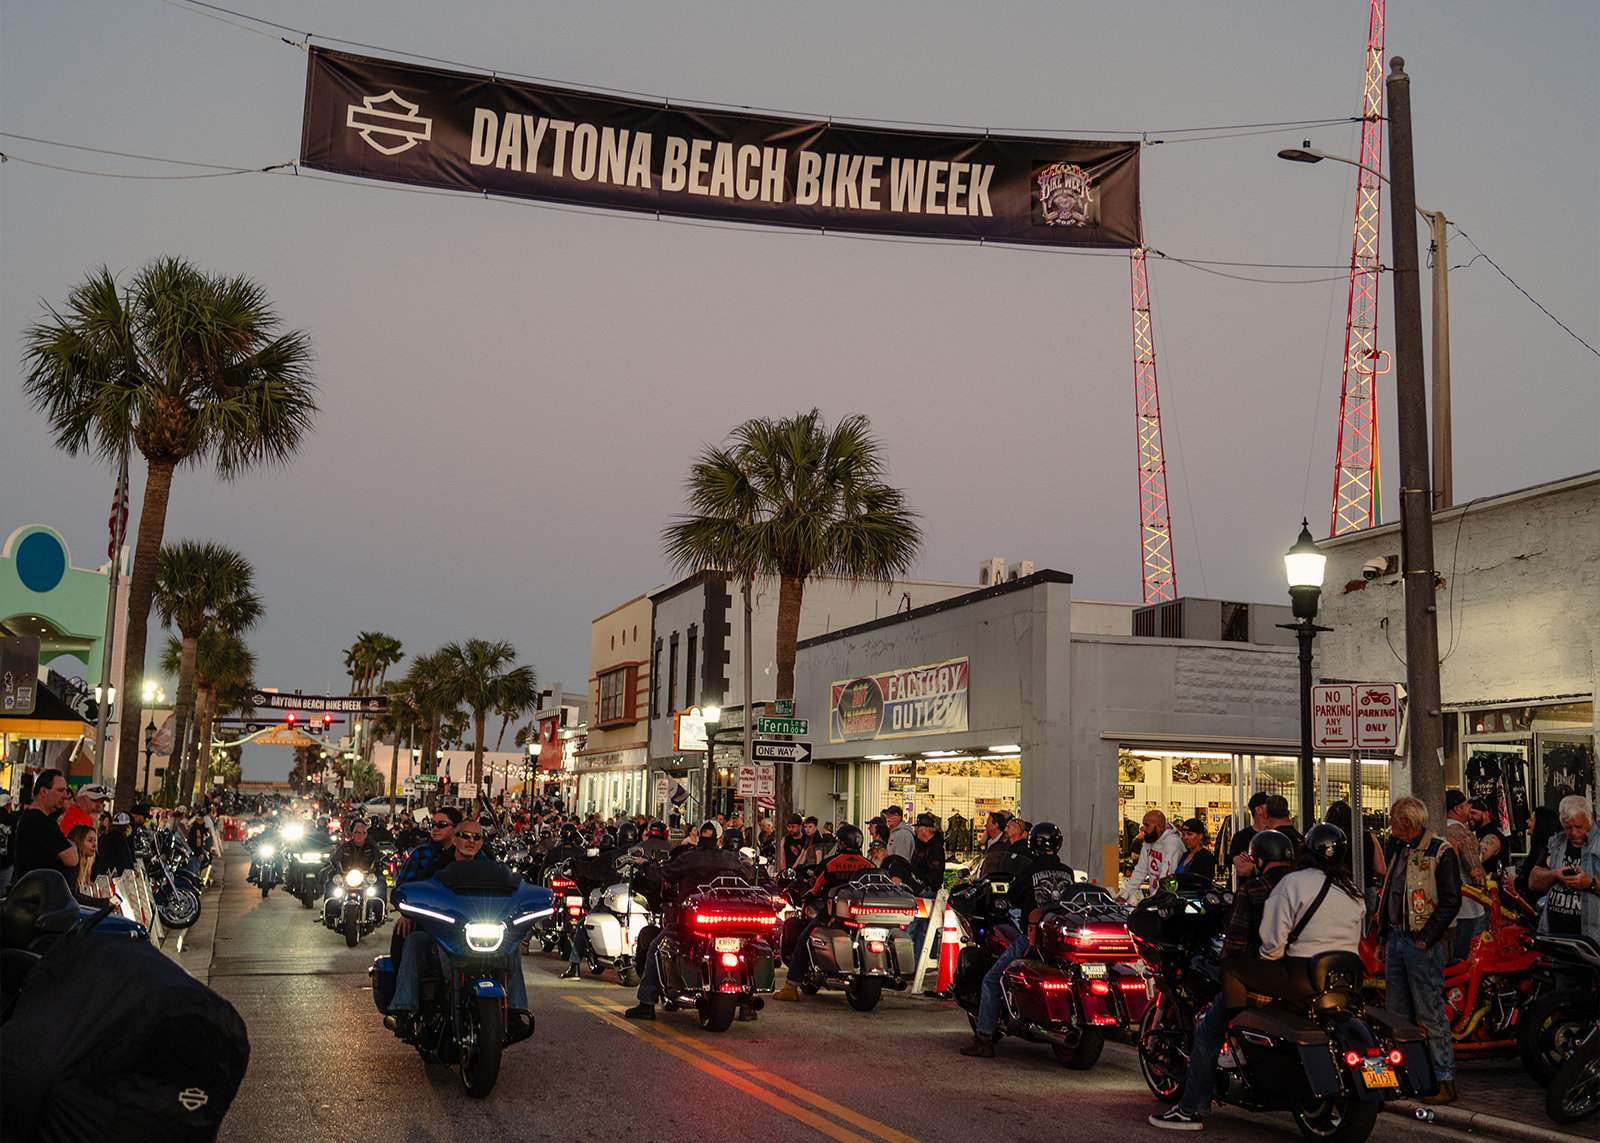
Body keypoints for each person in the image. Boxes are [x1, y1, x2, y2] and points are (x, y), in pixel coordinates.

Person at [1150, 828, 1295, 1129]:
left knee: (1206, 1033)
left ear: (1257, 858)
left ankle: (1189, 1108)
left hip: (1260, 978)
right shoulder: (1301, 887)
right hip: (1300, 978)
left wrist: (1226, 963)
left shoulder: (1254, 889)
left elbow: (1237, 943)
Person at [387, 817, 531, 1038]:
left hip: (482, 932)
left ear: (482, 842)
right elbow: (417, 892)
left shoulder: (492, 868)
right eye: (465, 836)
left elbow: (510, 889)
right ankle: (404, 1010)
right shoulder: (435, 868)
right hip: (443, 935)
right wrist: (409, 911)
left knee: (512, 946)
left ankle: (515, 1011)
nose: (470, 841)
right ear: (455, 839)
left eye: (476, 837)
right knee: (414, 940)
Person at [1219, 824, 1365, 1015]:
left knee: (1230, 969)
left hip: (1305, 977)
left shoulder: (1293, 883)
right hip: (1349, 976)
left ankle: (1237, 1031)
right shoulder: (1352, 890)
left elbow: (1273, 947)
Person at [961, 822, 1077, 1057]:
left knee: (992, 980)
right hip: (1059, 940)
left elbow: (1012, 899)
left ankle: (983, 1038)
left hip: (1033, 939)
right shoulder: (1067, 872)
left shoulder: (1028, 872)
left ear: (1032, 844)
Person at [1376, 796, 1462, 1105]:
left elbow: (1452, 900)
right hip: (1400, 939)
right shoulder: (1399, 848)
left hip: (1419, 943)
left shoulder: (1440, 851)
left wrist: (1425, 938)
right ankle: (1411, 1075)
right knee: (1398, 1015)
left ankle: (1443, 1079)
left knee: (1430, 1014)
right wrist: (1384, 938)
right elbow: (1389, 898)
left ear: (1407, 823)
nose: (1389, 824)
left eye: (1393, 819)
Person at [624, 820, 750, 1020]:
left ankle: (647, 1004)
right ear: (719, 839)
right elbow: (749, 880)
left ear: (700, 836)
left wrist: (645, 865)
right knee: (748, 948)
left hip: (690, 921)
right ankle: (747, 1006)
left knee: (656, 950)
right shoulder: (732, 860)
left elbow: (664, 874)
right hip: (728, 923)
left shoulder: (689, 858)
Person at [773, 823, 876, 1002]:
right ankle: (876, 987)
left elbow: (812, 890)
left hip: (832, 917)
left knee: (803, 940)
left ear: (842, 842)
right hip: (864, 917)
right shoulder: (869, 865)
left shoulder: (830, 864)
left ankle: (791, 986)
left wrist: (798, 887)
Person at [1527, 794, 1600, 941]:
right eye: (1568, 827)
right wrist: (1554, 875)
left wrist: (1590, 883)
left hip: (1592, 942)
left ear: (1591, 818)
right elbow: (1533, 882)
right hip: (1556, 939)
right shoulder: (1557, 842)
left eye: (1579, 827)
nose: (1573, 833)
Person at [1445, 789, 1489, 961]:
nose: (1469, 809)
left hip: (1447, 911)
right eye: (1466, 806)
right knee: (1467, 964)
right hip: (1468, 912)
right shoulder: (1462, 834)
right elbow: (1476, 875)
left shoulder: (1437, 830)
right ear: (1457, 809)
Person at [13, 769, 79, 882]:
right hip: (41, 894)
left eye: (66, 790)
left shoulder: (37, 818)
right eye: (60, 790)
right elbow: (71, 859)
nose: (65, 795)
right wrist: (73, 846)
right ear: (43, 792)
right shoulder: (40, 821)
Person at [1323, 800, 1385, 916]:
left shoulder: (1330, 840)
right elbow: (1381, 869)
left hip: (1337, 890)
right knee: (1363, 932)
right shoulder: (1368, 837)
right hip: (1366, 892)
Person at [1118, 811, 1184, 902]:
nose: (1143, 828)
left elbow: (1168, 875)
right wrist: (1125, 896)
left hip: (1170, 899)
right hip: (1156, 897)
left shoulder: (1173, 844)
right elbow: (1140, 870)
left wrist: (1155, 899)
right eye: (1143, 825)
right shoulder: (1148, 841)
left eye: (1147, 825)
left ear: (1159, 827)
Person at [1226, 792, 1272, 871]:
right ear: (1258, 809)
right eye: (1269, 805)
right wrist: (1270, 866)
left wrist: (1252, 865)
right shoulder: (1241, 838)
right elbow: (1242, 869)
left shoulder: (1277, 835)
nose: (1273, 808)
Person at [1469, 799, 1509, 884]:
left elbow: (1476, 859)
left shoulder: (1492, 836)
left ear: (1485, 814)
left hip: (1493, 891)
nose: (1469, 817)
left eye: (1473, 813)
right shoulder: (1480, 833)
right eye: (1468, 813)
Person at [1173, 818, 1218, 888]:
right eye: (1184, 834)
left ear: (1200, 836)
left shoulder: (1205, 857)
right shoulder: (1185, 855)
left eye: (1190, 834)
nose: (1185, 838)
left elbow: (1204, 883)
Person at [97, 812, 137, 879]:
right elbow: (125, 855)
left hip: (102, 872)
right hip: (116, 874)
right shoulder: (120, 837)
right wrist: (132, 869)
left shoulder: (105, 836)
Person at [977, 811, 1012, 878]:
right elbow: (982, 842)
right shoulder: (989, 841)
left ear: (996, 825)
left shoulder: (1005, 843)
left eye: (988, 823)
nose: (985, 825)